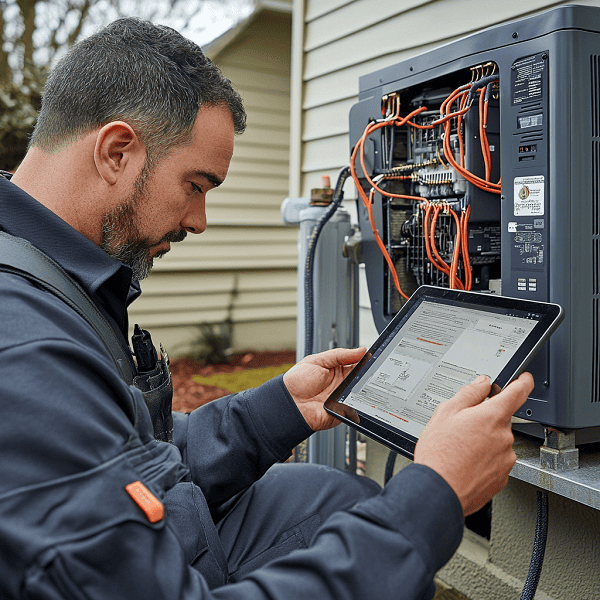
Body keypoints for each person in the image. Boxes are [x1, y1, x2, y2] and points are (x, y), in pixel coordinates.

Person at [0, 17, 533, 600]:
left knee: (331, 497)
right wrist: (436, 492)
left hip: (160, 537)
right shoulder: (27, 346)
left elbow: (132, 459)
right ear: (116, 151)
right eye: (197, 185)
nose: (198, 221)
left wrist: (281, 408)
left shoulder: (52, 277)